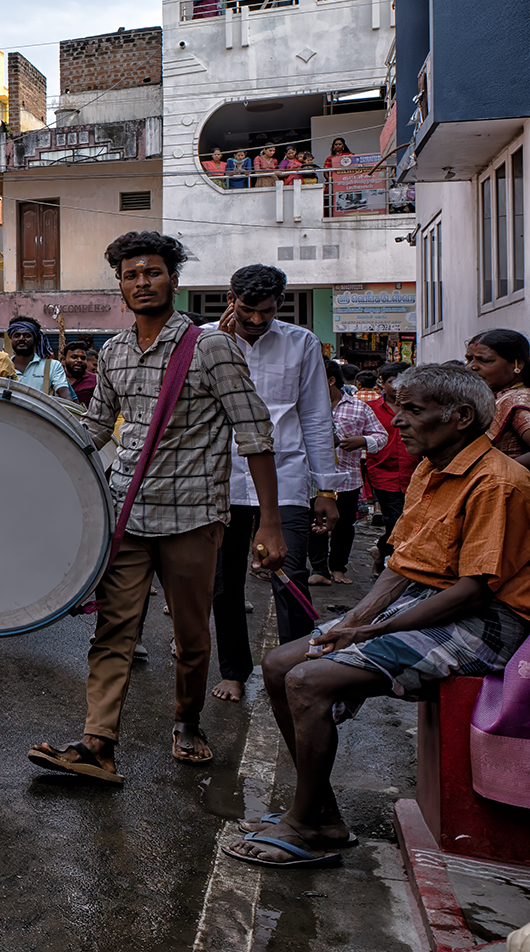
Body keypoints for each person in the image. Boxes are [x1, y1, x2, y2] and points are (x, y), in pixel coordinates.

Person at [226, 365, 530, 868]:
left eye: (412, 410)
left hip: (488, 619)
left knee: (308, 681)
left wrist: (377, 628)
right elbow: (404, 564)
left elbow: (475, 592)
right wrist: (356, 622)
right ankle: (322, 814)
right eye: (398, 408)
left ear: (460, 417)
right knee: (281, 665)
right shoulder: (432, 469)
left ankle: (304, 826)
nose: (397, 423)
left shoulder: (499, 483)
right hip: (429, 601)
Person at [28, 232, 285, 783]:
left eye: (153, 273)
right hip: (127, 515)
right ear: (119, 285)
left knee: (191, 637)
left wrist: (269, 521)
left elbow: (255, 434)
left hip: (194, 517)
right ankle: (98, 743)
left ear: (173, 278)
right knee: (114, 630)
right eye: (130, 275)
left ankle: (188, 721)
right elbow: (96, 427)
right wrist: (31, 436)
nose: (141, 283)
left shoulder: (212, 347)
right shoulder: (114, 352)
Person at [205, 265, 342, 704]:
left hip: (285, 480)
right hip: (221, 479)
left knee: (291, 577)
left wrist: (326, 489)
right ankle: (234, 671)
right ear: (230, 298)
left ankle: (294, 668)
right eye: (248, 311)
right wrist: (226, 343)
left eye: (266, 311)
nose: (257, 320)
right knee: (224, 583)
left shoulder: (301, 343)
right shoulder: (207, 340)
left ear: (279, 303)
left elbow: (317, 417)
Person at [308, 360, 386, 587]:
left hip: (346, 479)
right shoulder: (306, 406)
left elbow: (381, 437)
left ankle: (338, 568)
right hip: (314, 478)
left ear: (331, 380)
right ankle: (319, 569)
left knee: (344, 526)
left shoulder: (359, 407)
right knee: (315, 524)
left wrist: (362, 441)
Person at [365, 363, 420, 570]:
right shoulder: (370, 408)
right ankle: (393, 565)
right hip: (382, 471)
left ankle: (382, 550)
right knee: (396, 521)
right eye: (392, 382)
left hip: (413, 472)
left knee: (409, 521)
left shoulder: (417, 408)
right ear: (382, 382)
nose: (397, 387)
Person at [464, 328, 530, 467]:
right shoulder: (496, 396)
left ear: (518, 364)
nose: (472, 367)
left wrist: (500, 471)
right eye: (469, 359)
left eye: (484, 360)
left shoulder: (517, 400)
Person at [7, 315, 75, 400]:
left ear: (35, 340)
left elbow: (65, 393)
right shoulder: (4, 366)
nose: (21, 338)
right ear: (11, 339)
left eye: (27, 336)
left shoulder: (52, 366)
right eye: (17, 335)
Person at [63, 341, 97, 406]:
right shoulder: (56, 378)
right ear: (64, 360)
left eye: (83, 358)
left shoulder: (95, 380)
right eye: (74, 357)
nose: (79, 360)